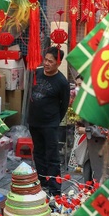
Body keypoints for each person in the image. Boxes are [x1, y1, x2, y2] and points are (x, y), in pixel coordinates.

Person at [28, 46, 71, 196]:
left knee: (52, 157)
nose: (46, 63)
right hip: (34, 121)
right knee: (38, 154)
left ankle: (55, 190)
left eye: (50, 61)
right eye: (45, 59)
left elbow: (64, 105)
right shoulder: (37, 73)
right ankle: (42, 183)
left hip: (50, 124)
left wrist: (54, 121)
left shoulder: (62, 82)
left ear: (58, 63)